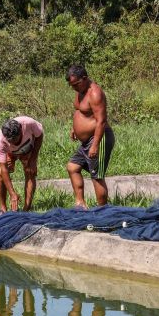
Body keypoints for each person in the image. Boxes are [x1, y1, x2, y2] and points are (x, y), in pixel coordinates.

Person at [66, 65, 115, 210]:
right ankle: (80, 204)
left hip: (99, 138)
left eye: (75, 84)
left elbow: (101, 121)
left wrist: (95, 145)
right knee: (72, 167)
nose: (73, 87)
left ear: (85, 79)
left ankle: (103, 211)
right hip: (87, 140)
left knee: (97, 176)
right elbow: (81, 111)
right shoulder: (80, 90)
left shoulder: (95, 93)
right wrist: (74, 127)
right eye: (71, 85)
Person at [0, 116, 44, 212]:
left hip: (28, 149)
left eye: (15, 140)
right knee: (1, 173)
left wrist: (33, 159)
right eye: (10, 141)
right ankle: (3, 208)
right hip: (10, 153)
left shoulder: (29, 123)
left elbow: (39, 135)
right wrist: (12, 194)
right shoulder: (0, 141)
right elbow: (4, 169)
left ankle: (26, 209)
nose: (13, 142)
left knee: (30, 172)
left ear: (21, 130)